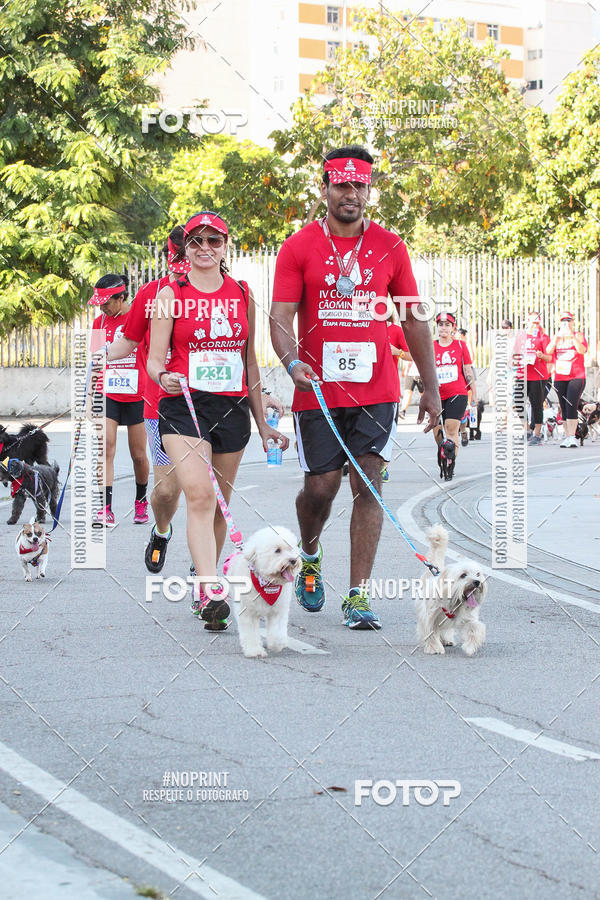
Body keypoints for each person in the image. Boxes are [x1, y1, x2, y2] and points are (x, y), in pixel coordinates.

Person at [269, 145, 440, 631]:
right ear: (325, 187)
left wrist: (431, 388)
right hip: (317, 389)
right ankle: (309, 554)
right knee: (320, 488)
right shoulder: (298, 246)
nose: (351, 194)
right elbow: (280, 317)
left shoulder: (391, 246)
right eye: (341, 184)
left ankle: (358, 595)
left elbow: (413, 319)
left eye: (359, 185)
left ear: (369, 189)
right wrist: (292, 361)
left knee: (369, 484)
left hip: (376, 391)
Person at [147, 211, 288, 630]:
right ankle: (211, 590)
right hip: (184, 405)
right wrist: (163, 376)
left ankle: (199, 577)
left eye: (214, 240)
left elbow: (250, 362)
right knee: (200, 495)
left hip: (232, 409)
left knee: (219, 508)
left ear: (226, 246)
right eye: (196, 241)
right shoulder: (170, 294)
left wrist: (263, 424)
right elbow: (154, 360)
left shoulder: (242, 292)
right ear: (185, 248)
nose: (205, 248)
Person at [90, 274, 149, 527]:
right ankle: (105, 508)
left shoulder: (139, 318)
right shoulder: (99, 323)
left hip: (137, 394)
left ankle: (141, 501)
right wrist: (91, 396)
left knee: (138, 454)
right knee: (106, 448)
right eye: (99, 303)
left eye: (106, 303)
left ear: (121, 297)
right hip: (107, 393)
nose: (102, 308)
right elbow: (95, 361)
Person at [432, 312, 478, 478]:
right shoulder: (431, 346)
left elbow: (467, 371)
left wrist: (474, 393)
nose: (443, 328)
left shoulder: (460, 345)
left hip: (457, 393)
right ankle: (443, 453)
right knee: (438, 433)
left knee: (451, 430)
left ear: (453, 328)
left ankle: (450, 463)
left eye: (447, 325)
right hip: (436, 395)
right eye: (441, 324)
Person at [548, 311, 588, 448]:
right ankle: (567, 436)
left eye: (568, 320)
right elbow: (548, 351)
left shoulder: (578, 335)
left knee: (571, 405)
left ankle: (572, 436)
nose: (566, 323)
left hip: (576, 376)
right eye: (563, 320)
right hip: (560, 376)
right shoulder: (557, 337)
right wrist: (557, 338)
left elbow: (582, 350)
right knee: (563, 407)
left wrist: (572, 337)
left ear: (572, 322)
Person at [382, 319, 412, 480]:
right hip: (363, 389)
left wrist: (397, 352)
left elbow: (411, 355)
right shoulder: (361, 327)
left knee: (388, 430)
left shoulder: (396, 330)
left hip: (388, 390)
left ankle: (383, 466)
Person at [524, 311, 552, 446]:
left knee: (536, 404)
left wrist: (541, 356)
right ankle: (527, 430)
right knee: (517, 402)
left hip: (538, 375)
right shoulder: (521, 336)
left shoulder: (543, 337)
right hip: (523, 374)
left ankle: (537, 433)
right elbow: (513, 353)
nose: (534, 325)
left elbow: (550, 357)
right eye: (532, 322)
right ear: (527, 322)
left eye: (537, 322)